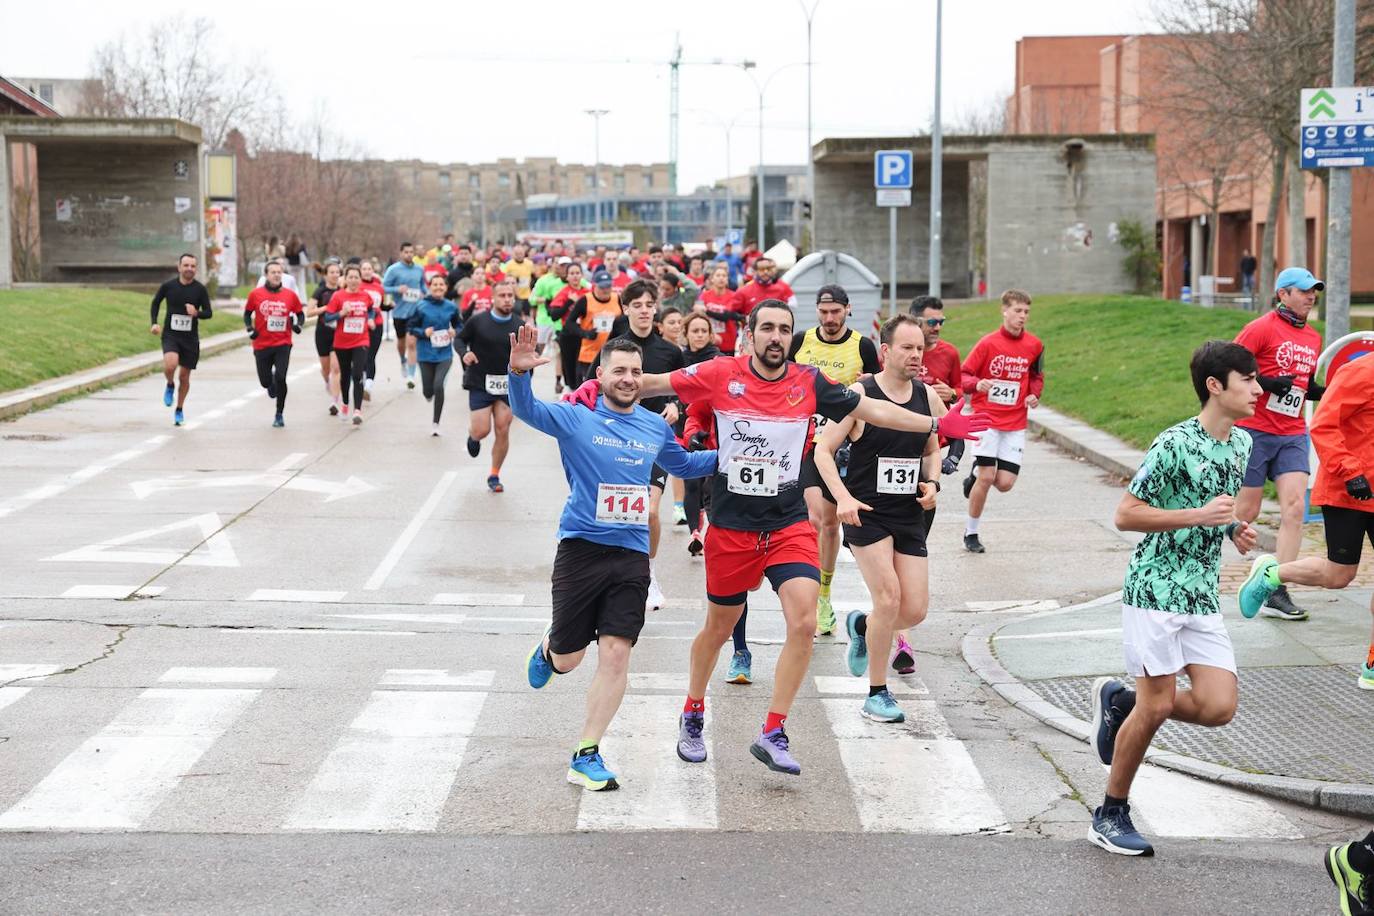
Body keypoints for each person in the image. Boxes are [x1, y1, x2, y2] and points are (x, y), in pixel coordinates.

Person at [563, 299, 990, 774]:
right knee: (719, 629)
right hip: (731, 525)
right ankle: (693, 708)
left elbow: (872, 408)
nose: (775, 336)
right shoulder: (721, 372)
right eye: (766, 328)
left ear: (791, 336)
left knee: (804, 622)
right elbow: (652, 382)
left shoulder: (808, 382)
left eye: (784, 329)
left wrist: (935, 423)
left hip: (787, 523)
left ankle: (773, 729)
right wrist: (593, 389)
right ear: (749, 335)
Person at [513, 328, 718, 792]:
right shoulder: (574, 418)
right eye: (619, 371)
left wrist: (728, 456)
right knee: (569, 659)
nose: (628, 379)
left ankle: (586, 752)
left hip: (631, 555)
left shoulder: (653, 427)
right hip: (581, 548)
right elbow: (527, 410)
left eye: (636, 372)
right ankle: (550, 649)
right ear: (601, 374)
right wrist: (519, 375)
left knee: (617, 653)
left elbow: (683, 465)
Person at [1088, 340, 1261, 857]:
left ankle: (1121, 702)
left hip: (1201, 592)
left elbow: (1217, 508)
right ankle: (1110, 812)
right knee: (1158, 704)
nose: (1258, 389)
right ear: (1216, 385)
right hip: (1155, 589)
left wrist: (1233, 530)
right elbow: (1126, 514)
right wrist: (1197, 516)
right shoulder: (1173, 444)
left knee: (1217, 707)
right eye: (1247, 379)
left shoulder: (1242, 444)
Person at [813, 314, 946, 722]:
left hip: (908, 512)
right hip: (867, 513)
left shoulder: (927, 397)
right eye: (907, 347)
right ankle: (876, 692)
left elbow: (932, 451)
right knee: (888, 597)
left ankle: (864, 625)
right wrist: (843, 499)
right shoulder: (860, 395)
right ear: (885, 351)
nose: (916, 355)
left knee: (915, 610)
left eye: (920, 348)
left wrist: (934, 484)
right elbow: (822, 450)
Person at [1238, 350, 1374, 686]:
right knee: (1339, 575)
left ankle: (1372, 661)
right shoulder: (1360, 372)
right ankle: (1272, 574)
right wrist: (1350, 470)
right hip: (1350, 491)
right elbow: (1325, 424)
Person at [1231, 267, 1326, 620]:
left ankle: (1275, 587)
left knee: (1294, 509)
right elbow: (1231, 367)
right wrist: (1267, 383)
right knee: (1248, 512)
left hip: (1292, 433)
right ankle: (1199, 562)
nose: (1310, 296)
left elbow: (1305, 383)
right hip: (1255, 429)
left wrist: (1319, 391)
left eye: (1314, 291)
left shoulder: (1313, 338)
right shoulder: (1260, 328)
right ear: (1283, 294)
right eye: (1303, 291)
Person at [789, 284, 881, 635]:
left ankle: (824, 593)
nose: (829, 318)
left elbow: (876, 392)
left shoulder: (862, 346)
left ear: (847, 310)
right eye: (823, 312)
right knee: (815, 519)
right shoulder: (801, 342)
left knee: (831, 525)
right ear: (817, 311)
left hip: (845, 444)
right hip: (806, 443)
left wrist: (867, 383)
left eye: (835, 312)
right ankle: (813, 594)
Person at [589, 280, 686, 611]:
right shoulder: (614, 349)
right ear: (625, 308)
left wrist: (677, 407)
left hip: (655, 441)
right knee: (613, 512)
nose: (644, 310)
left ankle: (648, 573)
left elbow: (685, 391)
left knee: (650, 511)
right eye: (638, 304)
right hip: (614, 442)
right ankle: (609, 574)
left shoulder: (670, 351)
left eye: (650, 304)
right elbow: (588, 390)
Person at [959, 289, 1045, 553]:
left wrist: (1034, 394)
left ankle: (973, 475)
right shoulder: (988, 343)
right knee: (987, 477)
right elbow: (964, 375)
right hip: (986, 418)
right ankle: (971, 533)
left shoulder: (1035, 345)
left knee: (1004, 483)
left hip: (1015, 422)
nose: (1022, 316)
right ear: (1004, 311)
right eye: (1018, 311)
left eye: (1026, 312)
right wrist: (978, 384)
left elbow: (1036, 376)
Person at [458, 278, 523, 492]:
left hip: (507, 385)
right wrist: (465, 353)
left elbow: (526, 355)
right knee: (482, 430)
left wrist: (524, 377)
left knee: (503, 429)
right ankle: (473, 437)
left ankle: (494, 474)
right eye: (502, 296)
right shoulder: (478, 321)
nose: (507, 300)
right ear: (493, 298)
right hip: (480, 381)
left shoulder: (519, 324)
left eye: (510, 296)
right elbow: (459, 340)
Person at [149, 253, 212, 427]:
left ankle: (179, 408)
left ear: (195, 269)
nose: (189, 269)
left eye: (192, 266)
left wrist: (196, 313)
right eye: (186, 265)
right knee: (170, 365)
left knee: (184, 377)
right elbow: (155, 303)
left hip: (190, 339)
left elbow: (209, 312)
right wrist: (154, 323)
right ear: (179, 267)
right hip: (171, 335)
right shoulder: (168, 286)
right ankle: (169, 384)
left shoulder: (200, 289)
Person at [242, 260, 304, 427]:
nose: (277, 275)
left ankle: (279, 413)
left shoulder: (290, 296)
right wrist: (249, 328)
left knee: (281, 377)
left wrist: (298, 325)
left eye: (279, 272)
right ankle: (270, 385)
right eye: (273, 272)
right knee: (265, 381)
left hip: (283, 343)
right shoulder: (256, 294)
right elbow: (247, 314)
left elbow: (300, 314)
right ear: (266, 275)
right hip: (262, 344)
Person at [680, 312, 721, 557]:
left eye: (703, 331)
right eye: (694, 331)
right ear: (686, 334)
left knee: (710, 485)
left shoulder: (718, 360)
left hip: (712, 429)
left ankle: (708, 524)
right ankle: (695, 532)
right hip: (685, 423)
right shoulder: (679, 358)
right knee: (691, 482)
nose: (699, 335)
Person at [325, 264, 379, 426]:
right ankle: (346, 404)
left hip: (361, 340)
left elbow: (371, 310)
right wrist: (341, 313)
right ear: (345, 279)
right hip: (342, 342)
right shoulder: (338, 296)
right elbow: (328, 318)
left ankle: (358, 410)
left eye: (357, 277)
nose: (354, 280)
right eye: (351, 277)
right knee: (345, 374)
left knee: (357, 374)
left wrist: (370, 319)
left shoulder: (365, 296)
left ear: (360, 279)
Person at [409, 272, 461, 436]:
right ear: (430, 287)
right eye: (435, 284)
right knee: (427, 391)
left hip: (444, 354)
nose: (438, 287)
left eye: (441, 285)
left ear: (446, 288)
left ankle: (436, 422)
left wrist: (455, 331)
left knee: (439, 385)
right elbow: (411, 327)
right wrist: (424, 332)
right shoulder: (420, 306)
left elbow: (460, 325)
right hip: (425, 354)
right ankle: (428, 394)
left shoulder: (451, 307)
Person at [565, 269, 623, 383]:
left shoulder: (617, 298)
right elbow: (569, 323)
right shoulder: (585, 300)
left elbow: (623, 321)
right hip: (589, 354)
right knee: (588, 389)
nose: (606, 290)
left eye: (608, 286)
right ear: (595, 286)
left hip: (612, 354)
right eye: (602, 287)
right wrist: (586, 333)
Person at [382, 241, 425, 389]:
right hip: (400, 312)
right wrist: (397, 289)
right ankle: (402, 360)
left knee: (412, 343)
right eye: (406, 252)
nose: (409, 255)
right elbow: (383, 287)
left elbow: (423, 286)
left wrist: (423, 294)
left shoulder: (419, 269)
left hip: (415, 312)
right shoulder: (393, 270)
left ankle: (411, 376)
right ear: (401, 253)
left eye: (411, 252)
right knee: (401, 343)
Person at [305, 261, 343, 414]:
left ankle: (335, 401)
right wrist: (325, 308)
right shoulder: (320, 291)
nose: (335, 275)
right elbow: (309, 312)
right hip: (322, 332)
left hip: (338, 333)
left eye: (337, 272)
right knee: (326, 369)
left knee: (336, 368)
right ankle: (328, 383)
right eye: (332, 272)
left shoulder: (342, 291)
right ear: (326, 275)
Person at [548, 263, 592, 393]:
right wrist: (569, 302)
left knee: (583, 367)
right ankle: (570, 390)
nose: (575, 276)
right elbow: (554, 316)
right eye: (572, 273)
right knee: (569, 366)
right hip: (568, 334)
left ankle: (583, 390)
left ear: (582, 275)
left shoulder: (587, 293)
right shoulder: (564, 293)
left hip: (584, 334)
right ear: (567, 277)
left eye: (577, 273)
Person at [694, 263, 749, 356]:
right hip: (709, 340)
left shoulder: (733, 296)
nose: (721, 278)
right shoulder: (704, 295)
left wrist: (707, 311)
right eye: (718, 275)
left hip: (728, 340)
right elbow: (698, 312)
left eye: (724, 276)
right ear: (712, 279)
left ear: (727, 279)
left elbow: (726, 316)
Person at [359, 259, 386, 401]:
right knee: (361, 356)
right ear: (360, 271)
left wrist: (390, 304)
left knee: (371, 356)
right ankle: (361, 382)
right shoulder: (357, 286)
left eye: (369, 269)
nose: (367, 271)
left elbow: (384, 304)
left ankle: (368, 386)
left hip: (377, 324)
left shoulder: (379, 287)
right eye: (364, 269)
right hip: (360, 325)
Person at [503, 241, 535, 312]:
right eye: (517, 254)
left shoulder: (529, 263)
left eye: (521, 253)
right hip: (514, 295)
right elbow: (505, 279)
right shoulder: (509, 265)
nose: (519, 255)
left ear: (524, 253)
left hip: (527, 295)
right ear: (513, 254)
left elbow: (533, 277)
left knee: (526, 315)